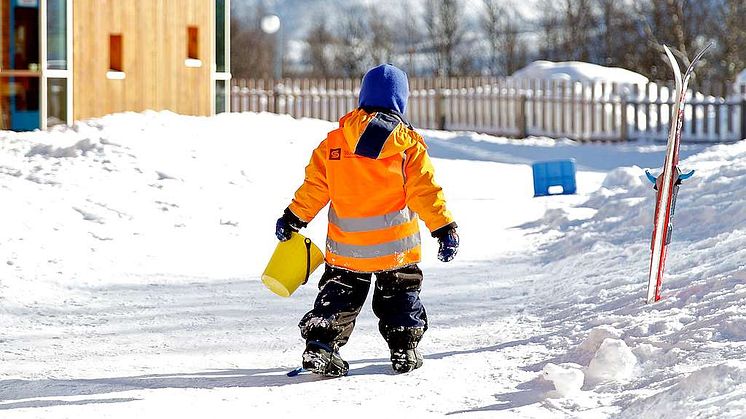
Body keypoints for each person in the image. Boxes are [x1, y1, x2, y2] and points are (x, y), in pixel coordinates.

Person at [275, 64, 459, 377]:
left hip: (347, 250)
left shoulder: (334, 142)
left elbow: (315, 188)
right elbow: (425, 192)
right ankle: (404, 348)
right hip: (396, 251)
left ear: (363, 97)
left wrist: (293, 217)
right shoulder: (408, 146)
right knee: (400, 298)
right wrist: (444, 229)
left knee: (338, 299)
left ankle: (321, 344)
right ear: (400, 101)